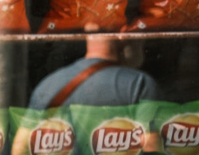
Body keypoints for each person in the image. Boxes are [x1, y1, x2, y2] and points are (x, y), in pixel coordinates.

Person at [28, 33, 162, 109]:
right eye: (143, 39)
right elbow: (150, 147)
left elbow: (21, 149)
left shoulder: (48, 85)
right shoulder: (139, 84)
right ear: (123, 35)